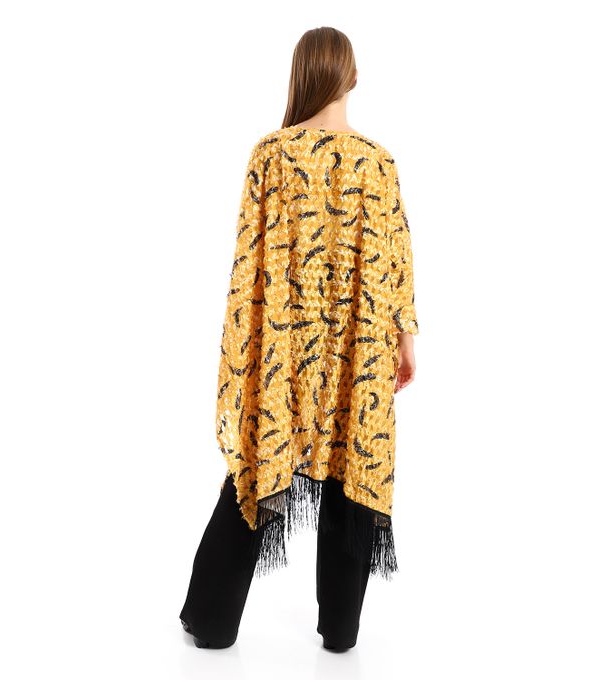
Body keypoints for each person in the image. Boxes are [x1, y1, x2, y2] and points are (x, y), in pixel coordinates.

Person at [179, 26, 418, 653]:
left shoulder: (270, 155)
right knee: (350, 460)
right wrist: (405, 341)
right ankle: (340, 631)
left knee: (261, 459)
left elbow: (248, 262)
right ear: (352, 77)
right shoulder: (379, 163)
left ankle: (211, 622)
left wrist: (247, 343)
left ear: (302, 75)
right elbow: (397, 263)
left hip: (284, 346)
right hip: (359, 347)